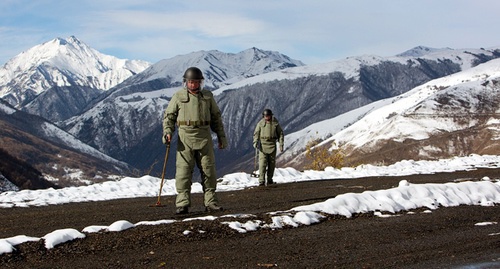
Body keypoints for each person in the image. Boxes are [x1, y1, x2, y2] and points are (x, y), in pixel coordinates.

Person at [162, 67, 228, 214]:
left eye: (196, 82)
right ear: (186, 82)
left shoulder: (208, 96)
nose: (193, 84)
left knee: (208, 171)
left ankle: (211, 202)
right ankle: (182, 204)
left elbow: (216, 117)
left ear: (200, 82)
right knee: (183, 172)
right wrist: (167, 132)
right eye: (191, 82)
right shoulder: (178, 96)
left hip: (204, 136)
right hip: (185, 138)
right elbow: (169, 117)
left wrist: (221, 137)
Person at [253, 109, 284, 186]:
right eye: (265, 116)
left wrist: (281, 144)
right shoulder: (260, 124)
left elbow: (280, 134)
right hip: (263, 145)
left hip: (272, 144)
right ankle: (261, 180)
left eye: (268, 116)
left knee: (272, 164)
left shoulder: (275, 124)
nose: (267, 117)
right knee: (262, 163)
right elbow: (256, 133)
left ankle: (270, 180)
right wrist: (255, 142)